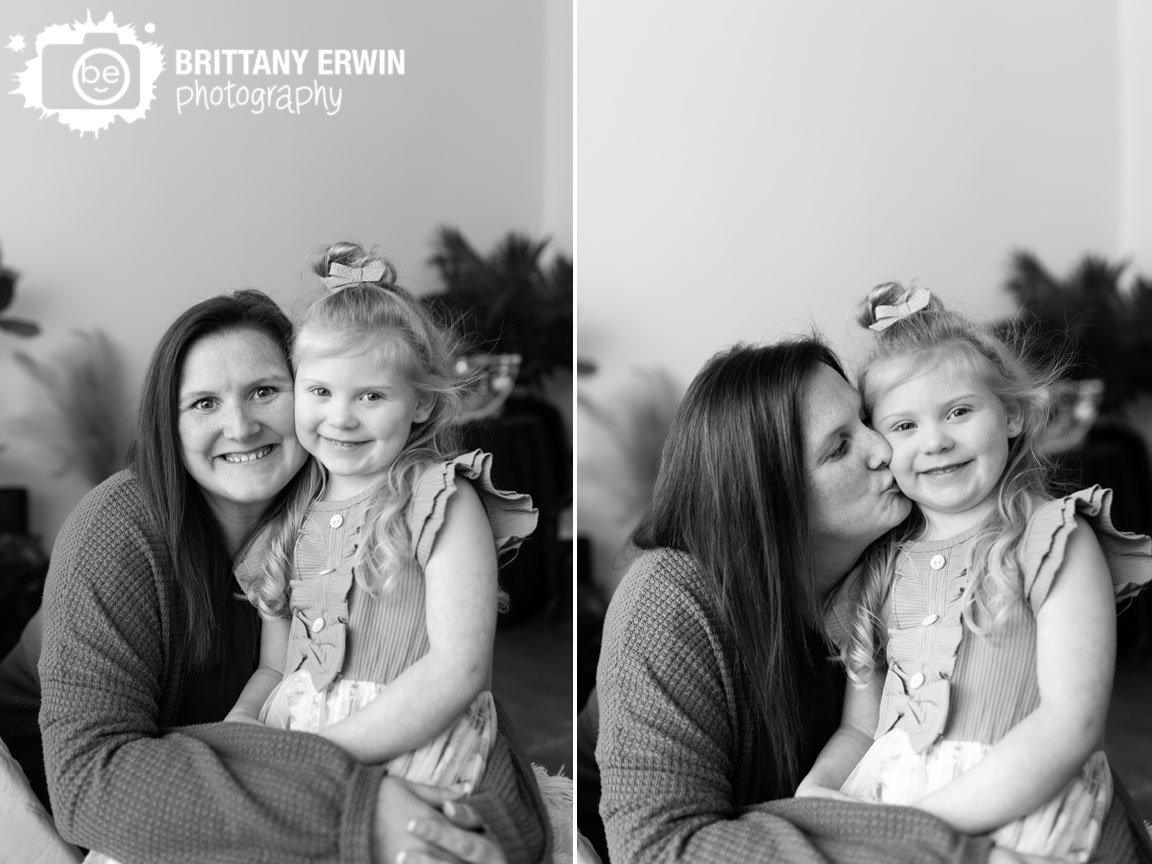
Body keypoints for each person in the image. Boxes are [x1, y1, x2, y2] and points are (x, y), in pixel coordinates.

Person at [3, 289, 549, 863]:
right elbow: (90, 780)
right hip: (47, 796)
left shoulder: (339, 502)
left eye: (264, 391)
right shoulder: (115, 530)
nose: (240, 427)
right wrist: (350, 803)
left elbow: (438, 666)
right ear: (167, 424)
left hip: (265, 765)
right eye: (204, 404)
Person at [592, 336, 1152, 864]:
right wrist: (923, 841)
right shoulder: (666, 599)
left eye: (867, 420)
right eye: (840, 447)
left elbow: (1039, 724)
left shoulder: (923, 551)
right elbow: (659, 846)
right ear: (769, 497)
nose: (886, 448)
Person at [797, 284, 1152, 862]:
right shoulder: (881, 567)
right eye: (904, 426)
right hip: (893, 807)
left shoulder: (1054, 536)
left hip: (1020, 803)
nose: (935, 440)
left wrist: (928, 821)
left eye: (959, 411)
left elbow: (1072, 722)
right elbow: (861, 731)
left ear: (1010, 414)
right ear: (878, 444)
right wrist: (820, 791)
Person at [226, 242, 536, 798]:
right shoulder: (290, 516)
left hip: (407, 741)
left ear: (419, 402)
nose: (341, 416)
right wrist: (244, 724)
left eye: (371, 394)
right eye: (320, 391)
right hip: (294, 739)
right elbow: (275, 670)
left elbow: (461, 670)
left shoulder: (441, 498)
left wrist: (329, 754)